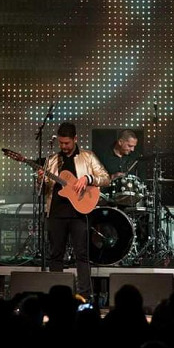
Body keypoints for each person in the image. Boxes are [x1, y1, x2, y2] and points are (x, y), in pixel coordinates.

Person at [38, 122, 110, 301]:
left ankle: (84, 294)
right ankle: (57, 295)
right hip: (56, 212)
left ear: (75, 139)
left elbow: (106, 178)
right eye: (61, 143)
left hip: (79, 212)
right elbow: (45, 189)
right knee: (55, 254)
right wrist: (41, 180)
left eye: (67, 143)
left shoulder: (87, 157)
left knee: (82, 254)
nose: (63, 146)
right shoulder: (53, 160)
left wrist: (88, 178)